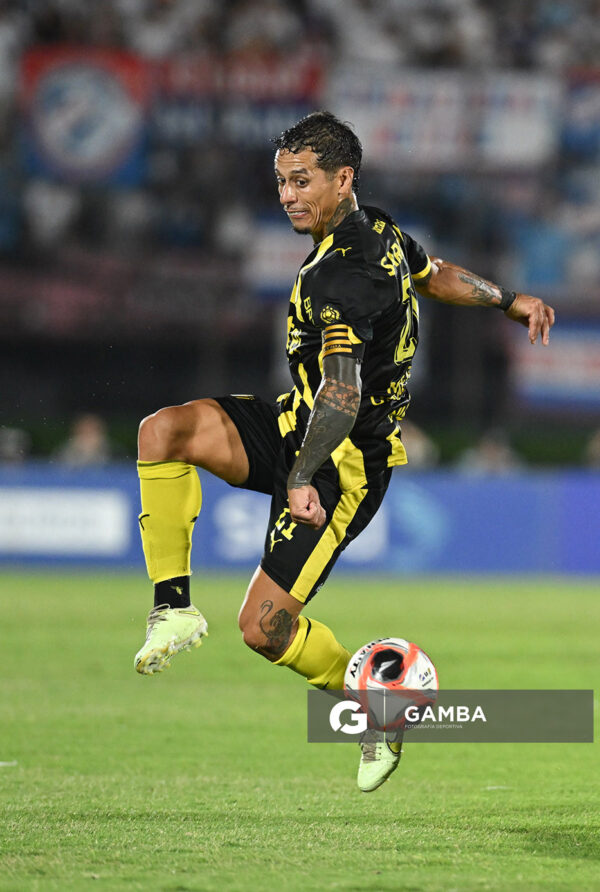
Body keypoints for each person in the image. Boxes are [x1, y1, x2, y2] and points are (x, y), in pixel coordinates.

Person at [133, 112, 554, 792]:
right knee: (164, 431)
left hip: (341, 463)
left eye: (302, 181)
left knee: (264, 631)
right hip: (297, 422)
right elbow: (434, 273)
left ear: (343, 178)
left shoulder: (343, 276)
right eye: (281, 182)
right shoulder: (379, 231)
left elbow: (342, 392)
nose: (287, 196)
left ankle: (378, 709)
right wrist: (507, 300)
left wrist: (301, 475)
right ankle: (173, 608)